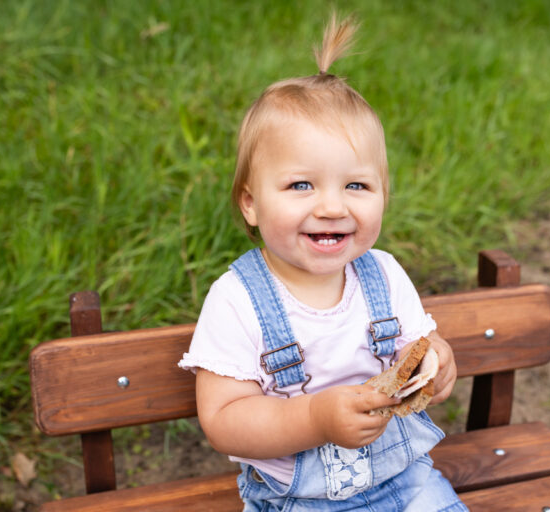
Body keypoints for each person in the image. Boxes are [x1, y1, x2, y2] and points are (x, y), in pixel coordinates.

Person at [179, 13, 468, 511]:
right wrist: (316, 419)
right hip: (297, 500)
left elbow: (418, 346)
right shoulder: (237, 300)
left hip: (405, 483)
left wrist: (437, 363)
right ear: (250, 203)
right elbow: (224, 420)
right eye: (300, 185)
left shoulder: (384, 274)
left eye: (356, 185)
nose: (332, 207)